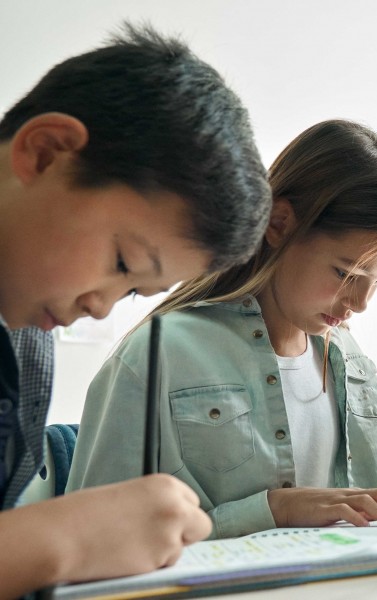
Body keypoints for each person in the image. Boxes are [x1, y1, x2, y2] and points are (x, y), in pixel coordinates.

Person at [68, 119, 377, 539]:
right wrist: (271, 510)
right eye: (346, 274)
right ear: (280, 223)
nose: (360, 304)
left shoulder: (343, 351)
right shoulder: (158, 355)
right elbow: (91, 535)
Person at [0, 23, 271, 598]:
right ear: (45, 152)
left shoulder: (27, 340)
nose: (101, 309)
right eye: (122, 262)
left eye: (130, 294)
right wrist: (58, 539)